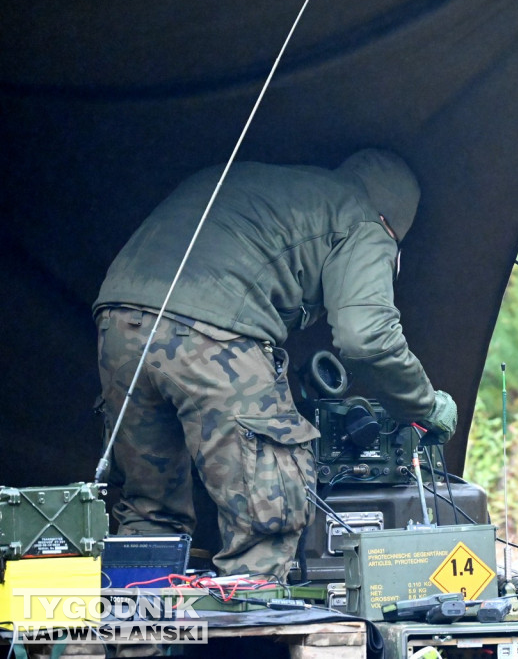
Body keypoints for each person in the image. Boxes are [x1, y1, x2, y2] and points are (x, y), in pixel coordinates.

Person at [94, 148, 457, 580]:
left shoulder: (272, 186)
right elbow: (367, 337)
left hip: (118, 321)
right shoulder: (364, 219)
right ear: (392, 225)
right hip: (212, 332)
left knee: (150, 512)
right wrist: (423, 406)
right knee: (267, 512)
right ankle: (252, 628)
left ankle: (139, 641)